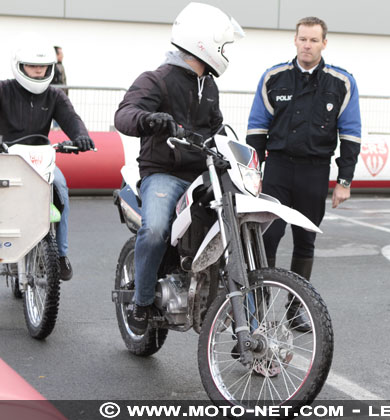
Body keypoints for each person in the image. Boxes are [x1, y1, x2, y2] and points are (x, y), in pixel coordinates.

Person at [114, 2, 244, 335]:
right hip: (164, 173)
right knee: (156, 228)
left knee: (239, 222)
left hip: (204, 174)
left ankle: (245, 320)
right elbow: (125, 115)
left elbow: (216, 128)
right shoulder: (156, 79)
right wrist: (149, 120)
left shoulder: (209, 84)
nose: (226, 51)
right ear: (204, 42)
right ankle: (141, 303)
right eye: (223, 44)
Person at [246, 17, 361, 332]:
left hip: (315, 172)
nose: (307, 46)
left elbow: (350, 135)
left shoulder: (342, 83)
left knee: (305, 241)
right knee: (267, 237)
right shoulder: (274, 78)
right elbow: (256, 129)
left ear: (324, 43)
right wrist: (252, 173)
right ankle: (257, 311)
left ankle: (296, 309)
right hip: (278, 170)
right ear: (294, 41)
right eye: (302, 40)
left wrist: (344, 182)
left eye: (313, 40)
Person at [0, 42, 95, 280]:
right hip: (5, 159)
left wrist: (81, 137)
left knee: (60, 188)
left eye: (43, 66)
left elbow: (71, 118)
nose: (38, 71)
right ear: (19, 66)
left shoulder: (55, 95)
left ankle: (59, 254)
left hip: (40, 160)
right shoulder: (1, 90)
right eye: (32, 65)